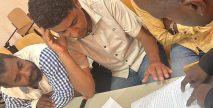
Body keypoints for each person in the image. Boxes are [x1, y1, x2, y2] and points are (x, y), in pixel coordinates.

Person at [28, 0, 172, 95]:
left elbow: (144, 36)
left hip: (144, 54)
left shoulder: (104, 3)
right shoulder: (64, 41)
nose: (74, 33)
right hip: (120, 72)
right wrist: (62, 52)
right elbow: (88, 91)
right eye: (63, 31)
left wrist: (154, 61)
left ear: (76, 3)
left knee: (161, 94)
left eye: (74, 22)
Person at [131, 0, 213, 77]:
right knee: (184, 82)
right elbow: (162, 38)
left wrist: (173, 27)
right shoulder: (140, 2)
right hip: (184, 44)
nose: (169, 17)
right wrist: (181, 24)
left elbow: (209, 18)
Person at [0, 44, 74, 108]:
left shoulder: (43, 55)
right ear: (10, 86)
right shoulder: (7, 88)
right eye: (18, 78)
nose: (27, 72)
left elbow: (66, 93)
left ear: (15, 56)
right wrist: (35, 104)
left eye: (20, 65)